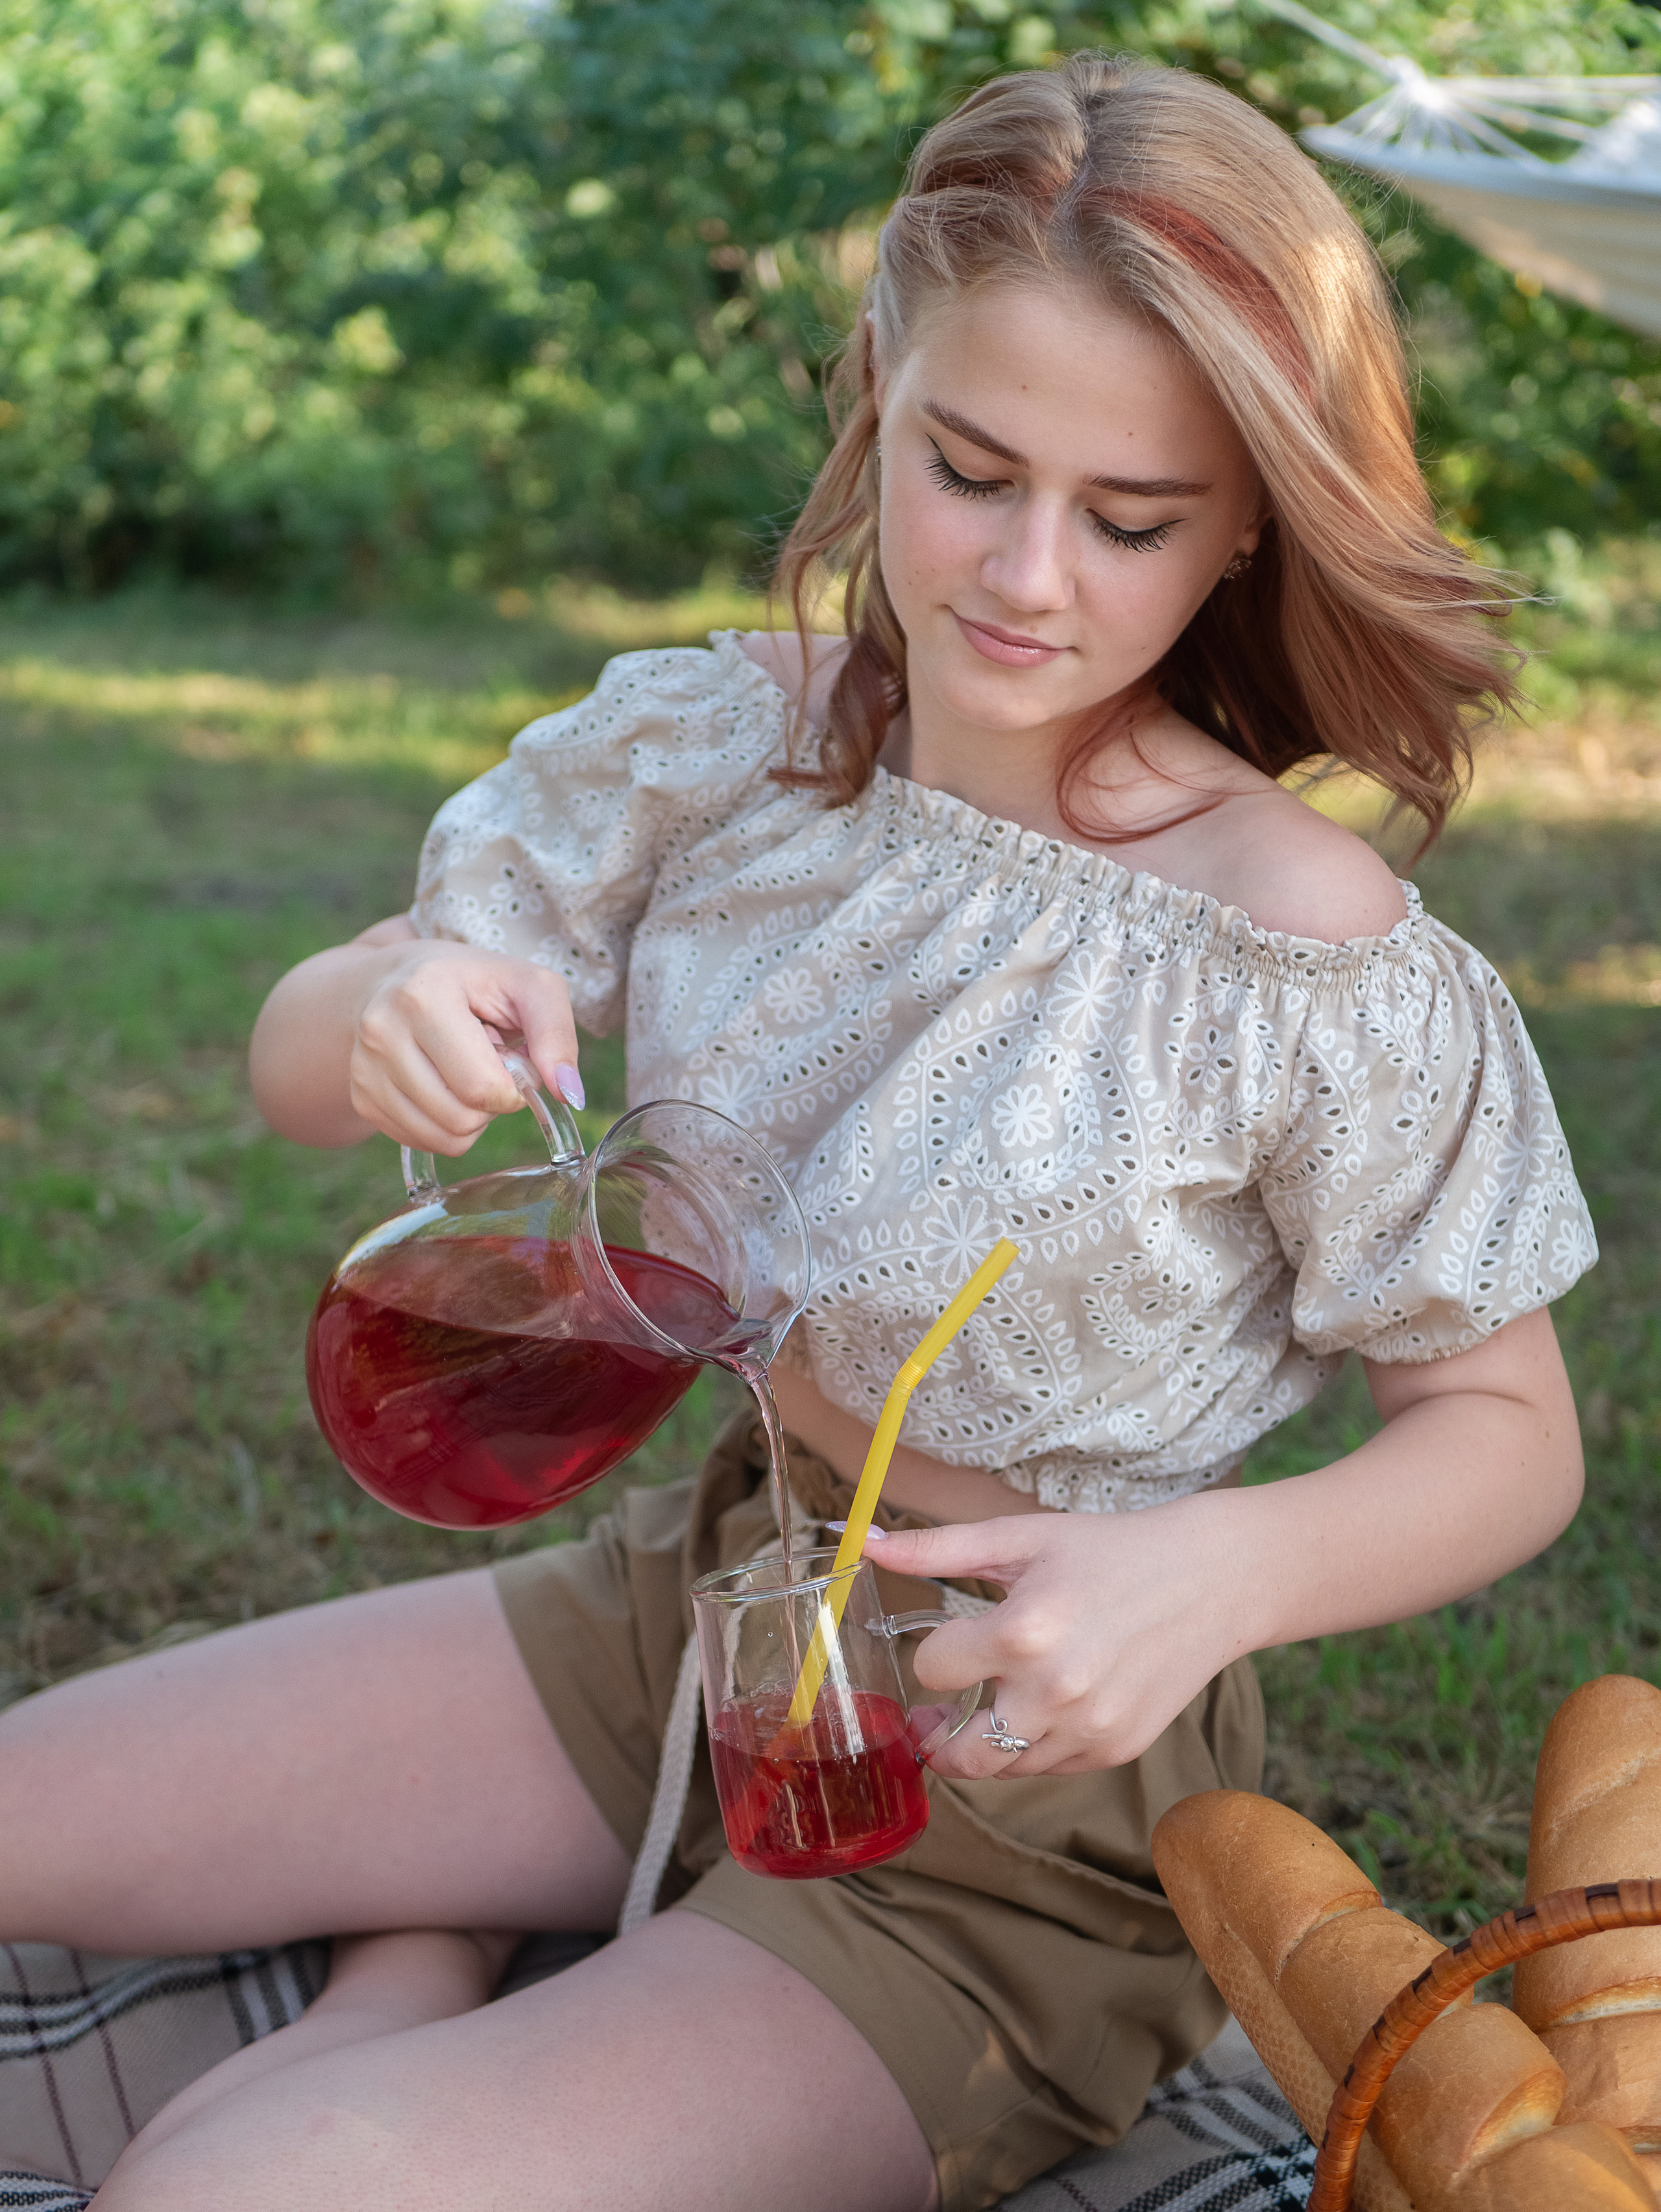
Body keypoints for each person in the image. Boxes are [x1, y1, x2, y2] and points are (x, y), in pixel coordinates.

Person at [1, 51, 1594, 2212]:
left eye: (1130, 519)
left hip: (1006, 1804)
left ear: (1247, 519)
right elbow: (302, 1054)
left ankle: (401, 1987)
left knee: (227, 2193)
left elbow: (1508, 1431)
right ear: (878, 393)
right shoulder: (728, 747)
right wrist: (386, 1008)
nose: (1027, 572)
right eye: (969, 469)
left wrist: (1215, 1571)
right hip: (697, 1612)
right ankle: (436, 1957)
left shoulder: (1296, 954)